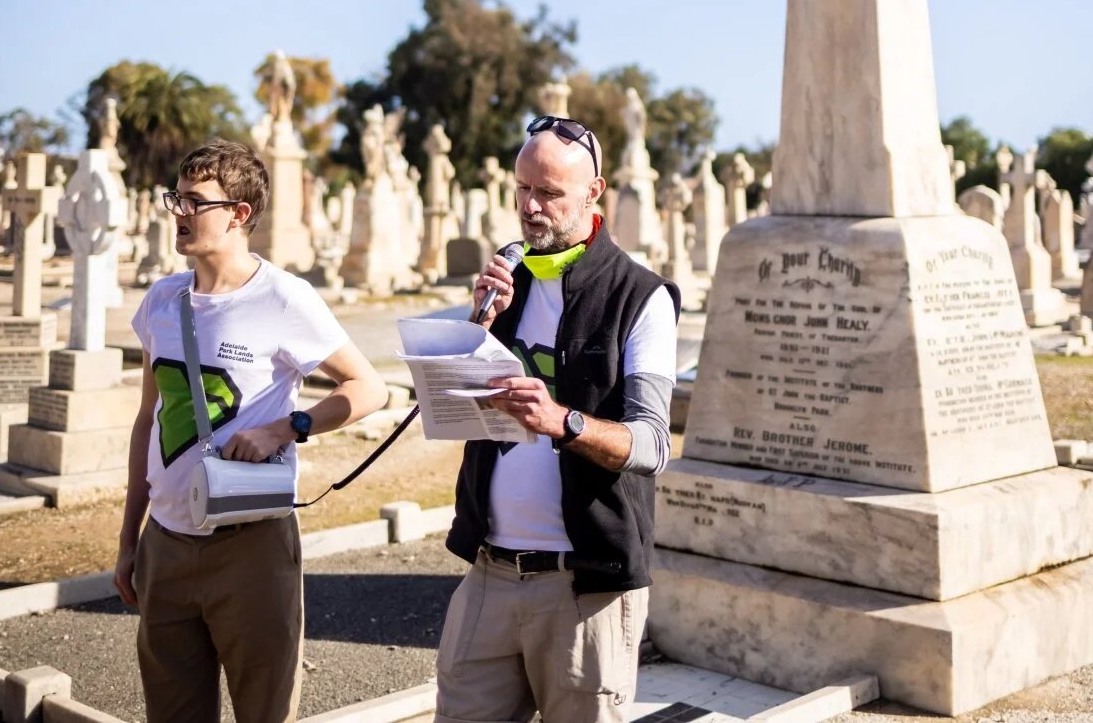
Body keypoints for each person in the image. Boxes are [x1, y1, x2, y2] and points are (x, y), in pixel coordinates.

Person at [113, 139, 388, 723]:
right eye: (176, 200)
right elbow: (148, 421)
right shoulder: (161, 302)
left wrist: (287, 428)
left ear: (239, 215)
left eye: (195, 202)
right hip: (165, 541)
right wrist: (128, 538)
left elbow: (369, 388)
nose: (179, 213)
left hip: (252, 547)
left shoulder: (284, 298)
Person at [435, 116, 680, 722]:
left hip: (583, 590)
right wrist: (477, 331)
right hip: (490, 572)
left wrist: (562, 422)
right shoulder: (505, 287)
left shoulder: (638, 297)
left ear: (593, 194)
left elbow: (651, 445)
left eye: (549, 193)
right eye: (523, 189)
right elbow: (456, 412)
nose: (531, 207)